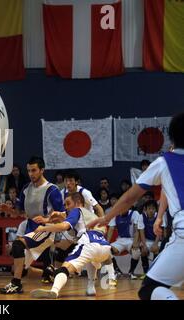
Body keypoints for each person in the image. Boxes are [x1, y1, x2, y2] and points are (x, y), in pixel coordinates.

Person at [88, 112, 184, 300]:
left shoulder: (165, 162)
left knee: (148, 289)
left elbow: (129, 198)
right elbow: (167, 189)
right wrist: (159, 217)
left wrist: (106, 217)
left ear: (172, 137)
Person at [0, 156, 64, 293]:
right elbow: (18, 213)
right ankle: (51, 273)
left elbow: (63, 216)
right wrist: (8, 210)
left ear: (42, 170)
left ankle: (16, 285)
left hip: (45, 230)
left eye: (34, 170)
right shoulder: (26, 188)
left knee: (17, 245)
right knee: (18, 270)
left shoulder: (52, 190)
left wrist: (47, 220)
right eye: (28, 171)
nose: (31, 174)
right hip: (30, 230)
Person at [31, 192, 112, 299]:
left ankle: (54, 291)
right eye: (64, 205)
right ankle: (91, 287)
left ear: (78, 202)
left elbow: (64, 226)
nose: (66, 207)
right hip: (105, 247)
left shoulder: (76, 210)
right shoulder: (92, 215)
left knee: (65, 268)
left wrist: (43, 228)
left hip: (89, 242)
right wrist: (52, 220)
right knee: (91, 259)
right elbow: (70, 228)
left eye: (68, 204)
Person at [137, 200, 161, 277]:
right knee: (143, 251)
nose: (151, 210)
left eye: (153, 208)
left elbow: (160, 232)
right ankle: (145, 273)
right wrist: (144, 245)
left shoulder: (159, 217)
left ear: (156, 209)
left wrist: (155, 244)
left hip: (157, 240)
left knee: (156, 249)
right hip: (146, 240)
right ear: (145, 209)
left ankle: (154, 273)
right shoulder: (141, 217)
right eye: (149, 208)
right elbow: (142, 232)